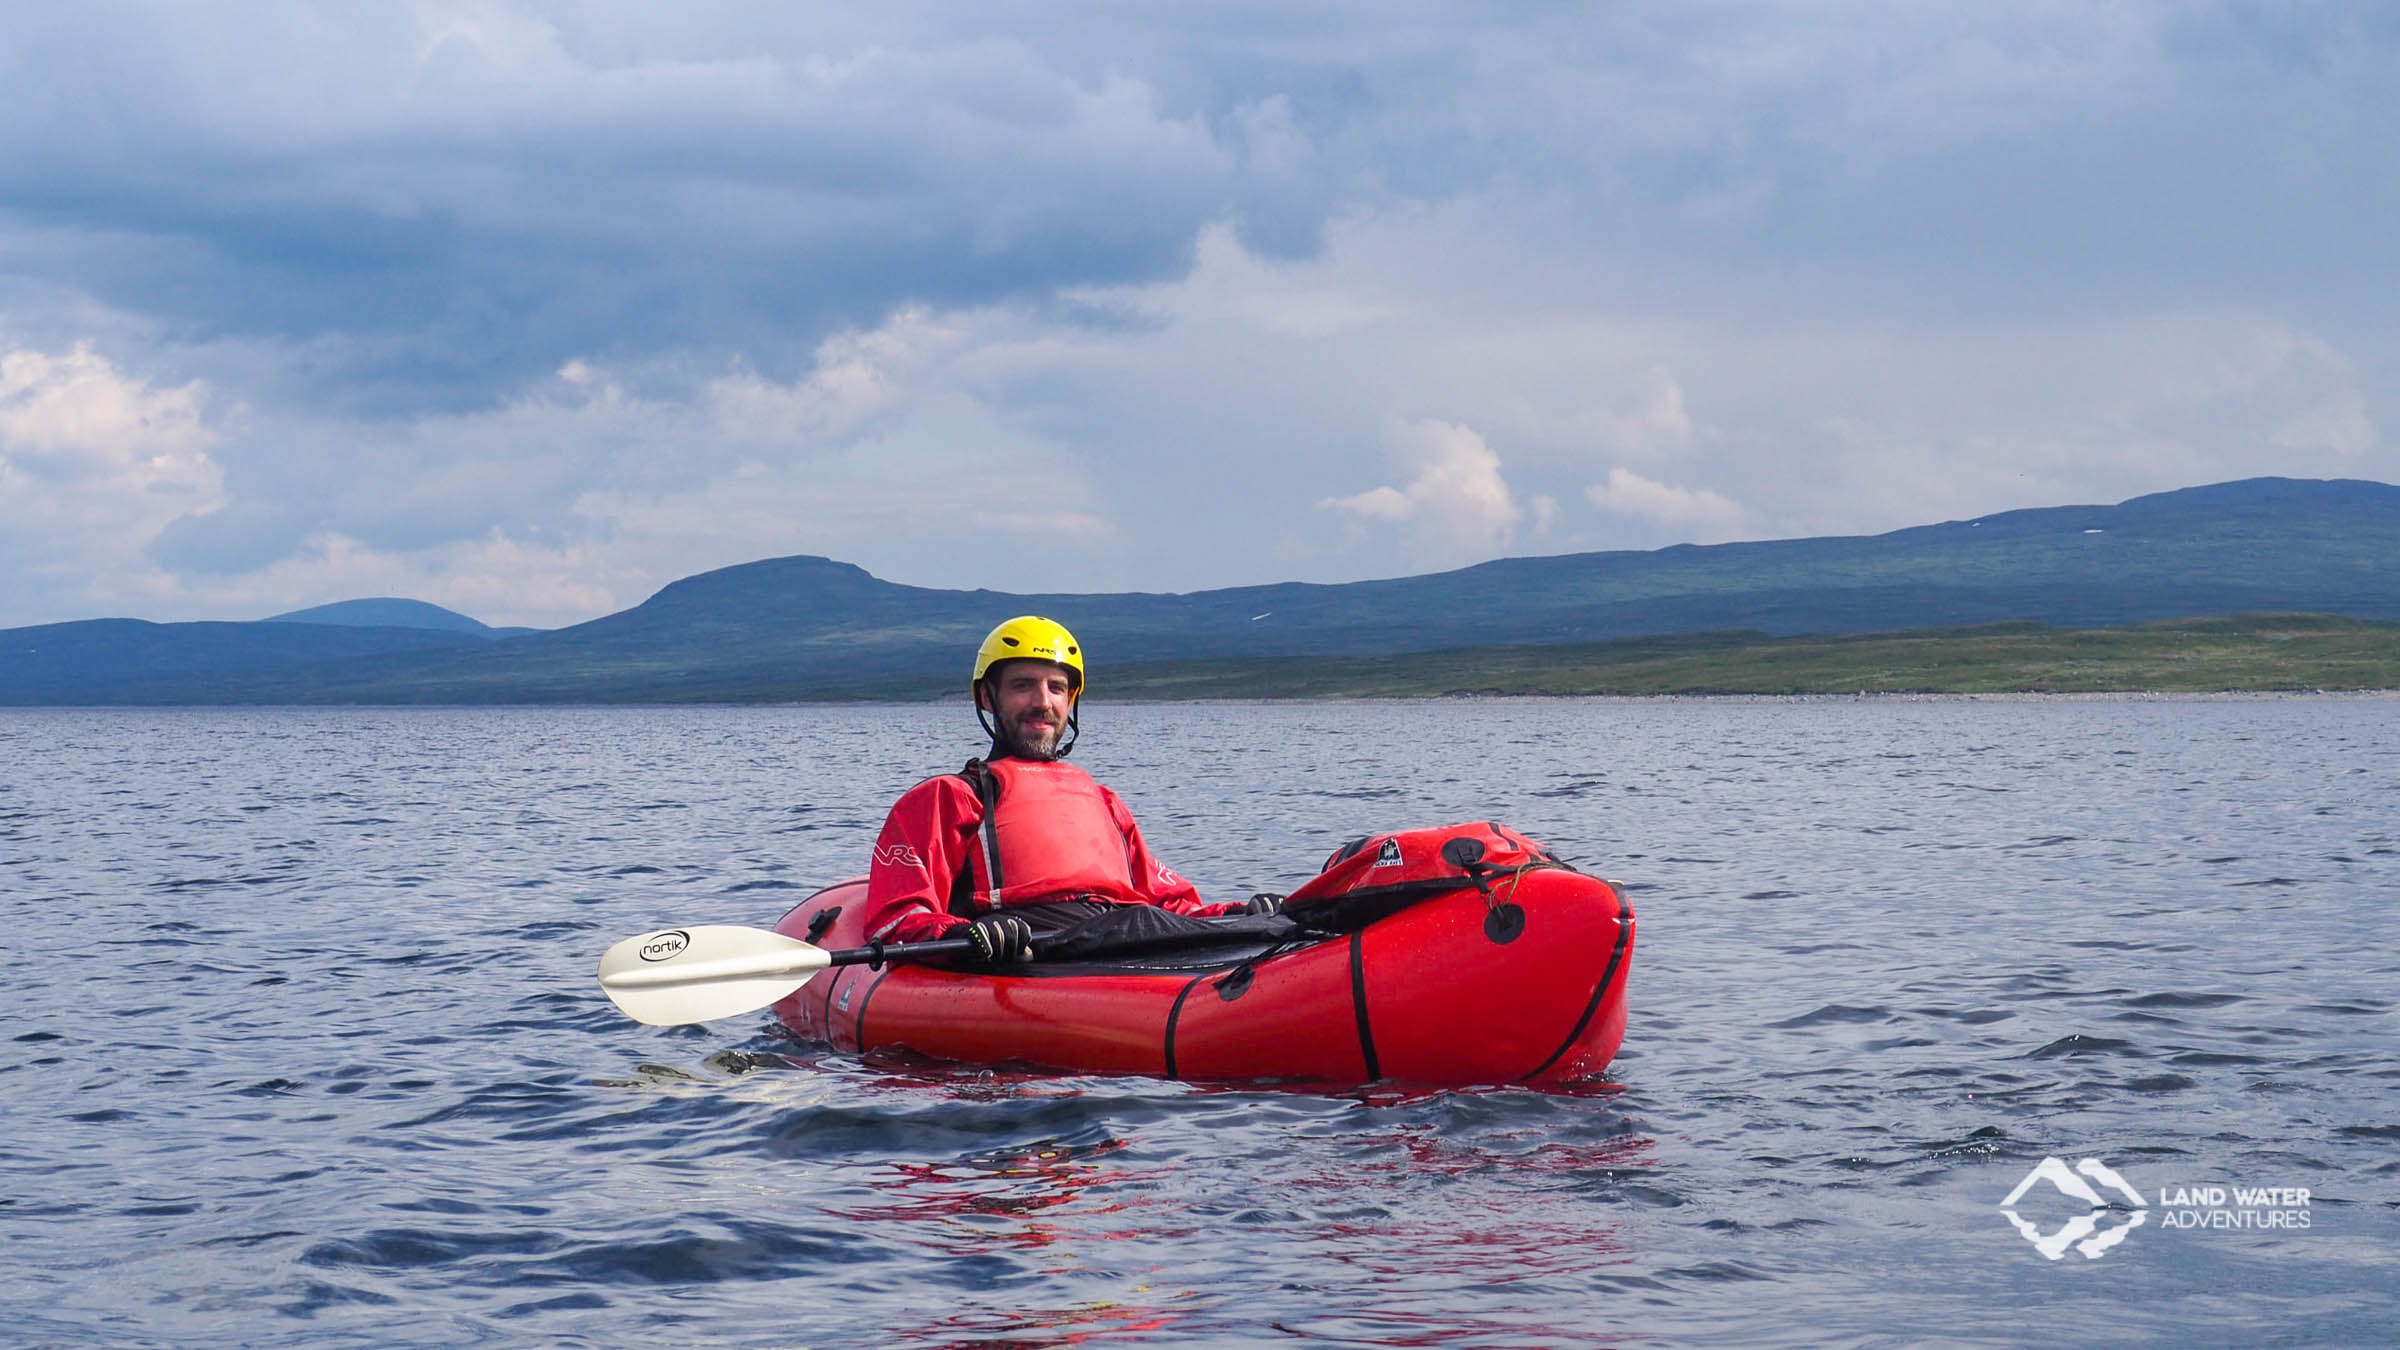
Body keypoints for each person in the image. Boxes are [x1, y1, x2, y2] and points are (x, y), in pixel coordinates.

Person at [858, 616, 1277, 963]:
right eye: (1023, 685)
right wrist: (971, 933)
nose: (1043, 702)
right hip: (1037, 948)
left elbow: (1170, 904)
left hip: (1134, 939)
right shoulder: (949, 798)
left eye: (1056, 688)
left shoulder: (1104, 802)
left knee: (1280, 922)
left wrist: (1241, 914)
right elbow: (898, 918)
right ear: (988, 697)